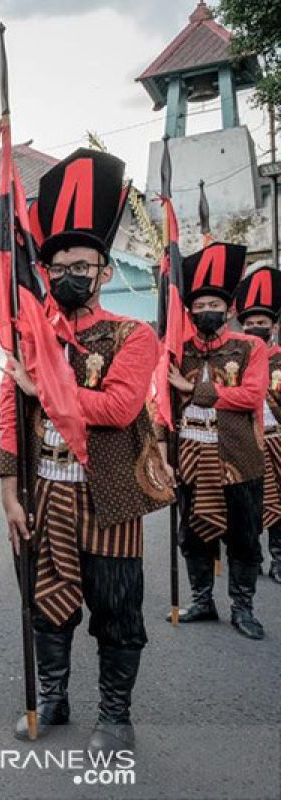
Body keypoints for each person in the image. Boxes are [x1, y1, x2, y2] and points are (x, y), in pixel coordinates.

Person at [0, 149, 172, 754]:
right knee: (46, 601)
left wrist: (44, 387)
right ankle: (53, 695)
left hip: (111, 497)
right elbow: (9, 420)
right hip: (43, 490)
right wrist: (8, 493)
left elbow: (119, 409)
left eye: (84, 265)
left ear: (103, 272)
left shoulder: (133, 335)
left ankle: (116, 715)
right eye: (60, 265)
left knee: (116, 606)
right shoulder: (31, 337)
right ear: (44, 272)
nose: (71, 273)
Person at [167, 243, 267, 639]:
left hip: (240, 458)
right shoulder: (179, 350)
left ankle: (242, 607)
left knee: (243, 536)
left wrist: (196, 391)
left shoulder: (250, 347)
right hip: (191, 458)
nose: (206, 308)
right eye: (199, 303)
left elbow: (251, 395)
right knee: (192, 536)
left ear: (228, 309)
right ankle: (202, 600)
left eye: (214, 302)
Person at [239, 267, 281, 585]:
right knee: (248, 504)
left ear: (273, 326)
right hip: (246, 441)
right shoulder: (235, 359)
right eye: (250, 324)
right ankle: (250, 561)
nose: (256, 328)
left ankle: (279, 559)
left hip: (276, 438)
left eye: (261, 324)